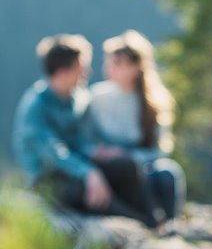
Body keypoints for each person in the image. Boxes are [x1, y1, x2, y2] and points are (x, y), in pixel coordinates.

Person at [13, 33, 157, 227]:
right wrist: (89, 172)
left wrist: (97, 152)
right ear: (63, 72)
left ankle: (153, 219)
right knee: (85, 189)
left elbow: (83, 141)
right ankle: (139, 224)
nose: (87, 73)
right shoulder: (35, 107)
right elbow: (53, 153)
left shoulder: (78, 99)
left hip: (79, 166)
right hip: (48, 180)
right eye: (81, 68)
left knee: (126, 166)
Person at [89, 30, 186, 221]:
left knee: (168, 173)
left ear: (136, 67)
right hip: (110, 168)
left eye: (117, 64)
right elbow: (85, 137)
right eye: (109, 62)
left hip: (143, 166)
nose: (109, 69)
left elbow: (159, 150)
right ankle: (150, 222)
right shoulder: (97, 97)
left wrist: (127, 155)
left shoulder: (154, 102)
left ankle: (169, 227)